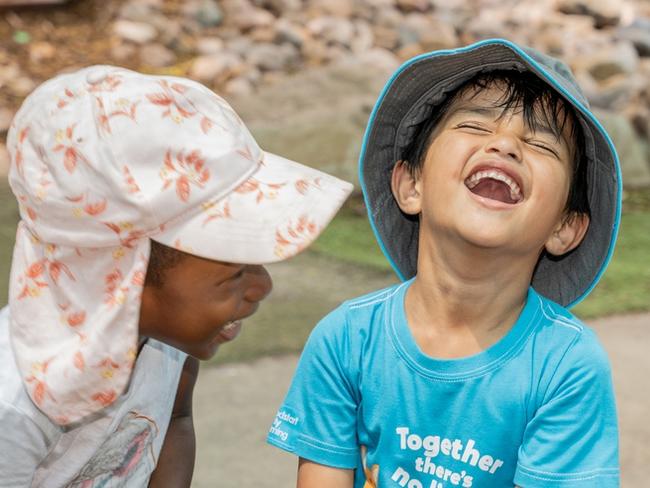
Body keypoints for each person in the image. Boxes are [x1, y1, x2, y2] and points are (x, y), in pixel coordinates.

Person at [267, 39, 621, 487]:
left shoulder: (565, 365)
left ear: (565, 227)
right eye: (475, 125)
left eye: (541, 146)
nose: (506, 146)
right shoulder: (346, 341)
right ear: (411, 184)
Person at [0, 65, 353, 487]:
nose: (263, 287)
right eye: (237, 272)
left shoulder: (166, 343)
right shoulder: (14, 406)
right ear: (127, 275)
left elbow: (175, 422)